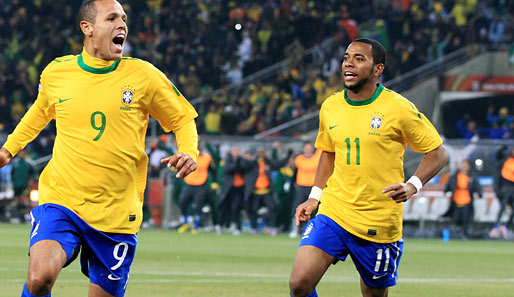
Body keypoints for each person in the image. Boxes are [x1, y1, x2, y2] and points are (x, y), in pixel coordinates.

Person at [0, 1, 199, 297]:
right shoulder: (57, 72)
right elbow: (39, 112)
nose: (122, 24)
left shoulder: (143, 75)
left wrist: (189, 151)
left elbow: (182, 118)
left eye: (124, 18)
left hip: (116, 213)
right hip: (63, 198)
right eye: (112, 18)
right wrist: (8, 149)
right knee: (39, 277)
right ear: (87, 28)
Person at [288, 38, 448, 297]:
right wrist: (314, 197)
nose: (348, 64)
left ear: (378, 69)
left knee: (374, 295)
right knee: (299, 284)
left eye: (359, 59)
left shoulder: (398, 107)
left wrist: (412, 185)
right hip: (335, 211)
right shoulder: (331, 106)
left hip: (379, 220)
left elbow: (438, 153)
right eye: (346, 58)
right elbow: (329, 152)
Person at [177, 146, 214, 234]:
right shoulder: (189, 157)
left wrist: (214, 182)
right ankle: (185, 222)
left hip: (200, 184)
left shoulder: (207, 158)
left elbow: (213, 170)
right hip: (189, 183)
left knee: (198, 205)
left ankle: (196, 225)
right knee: (182, 202)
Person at [289, 141, 322, 238]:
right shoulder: (298, 159)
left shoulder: (317, 158)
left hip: (313, 188)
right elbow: (294, 173)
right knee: (297, 207)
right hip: (301, 186)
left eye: (309, 148)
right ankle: (294, 229)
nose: (308, 150)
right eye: (306, 148)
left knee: (314, 210)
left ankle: (313, 230)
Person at [444, 160, 482, 238]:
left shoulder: (472, 177)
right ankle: (456, 233)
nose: (464, 167)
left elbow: (478, 187)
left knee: (466, 220)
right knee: (456, 219)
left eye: (466, 166)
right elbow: (449, 186)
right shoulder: (455, 176)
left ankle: (464, 234)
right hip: (456, 201)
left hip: (467, 202)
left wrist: (479, 194)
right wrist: (446, 191)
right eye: (463, 165)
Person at [490, 146, 514, 240]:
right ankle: (495, 227)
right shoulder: (505, 160)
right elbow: (497, 157)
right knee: (502, 208)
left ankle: (506, 227)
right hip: (506, 187)